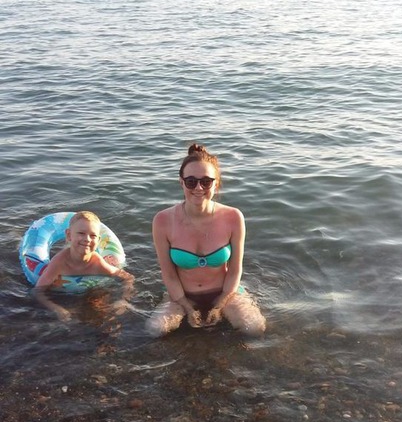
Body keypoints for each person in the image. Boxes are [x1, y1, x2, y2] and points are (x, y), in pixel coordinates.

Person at [147, 143, 266, 336]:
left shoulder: (233, 217)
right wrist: (187, 307)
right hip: (182, 296)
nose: (199, 187)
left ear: (216, 183)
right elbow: (169, 275)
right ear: (181, 182)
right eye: (191, 181)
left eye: (206, 181)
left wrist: (220, 305)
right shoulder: (163, 220)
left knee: (254, 328)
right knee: (156, 330)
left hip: (225, 292)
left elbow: (235, 270)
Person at [34, 210, 134, 322]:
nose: (87, 239)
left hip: (90, 292)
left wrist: (123, 300)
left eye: (93, 235)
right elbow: (38, 291)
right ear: (69, 235)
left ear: (98, 240)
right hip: (63, 296)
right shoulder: (59, 263)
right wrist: (56, 309)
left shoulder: (97, 262)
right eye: (81, 233)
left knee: (105, 315)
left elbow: (128, 277)